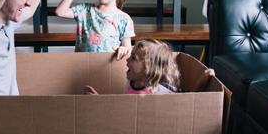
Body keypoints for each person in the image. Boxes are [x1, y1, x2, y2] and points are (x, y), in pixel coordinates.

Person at [55, 0, 134, 60]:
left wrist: (124, 49)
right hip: (81, 68)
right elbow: (60, 11)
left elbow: (127, 48)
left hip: (107, 70)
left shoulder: (124, 19)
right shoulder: (85, 10)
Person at [84, 39, 215, 95]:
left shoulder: (161, 91)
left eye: (133, 58)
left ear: (149, 67)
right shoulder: (131, 81)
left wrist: (201, 82)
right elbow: (121, 106)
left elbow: (189, 101)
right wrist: (99, 100)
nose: (127, 59)